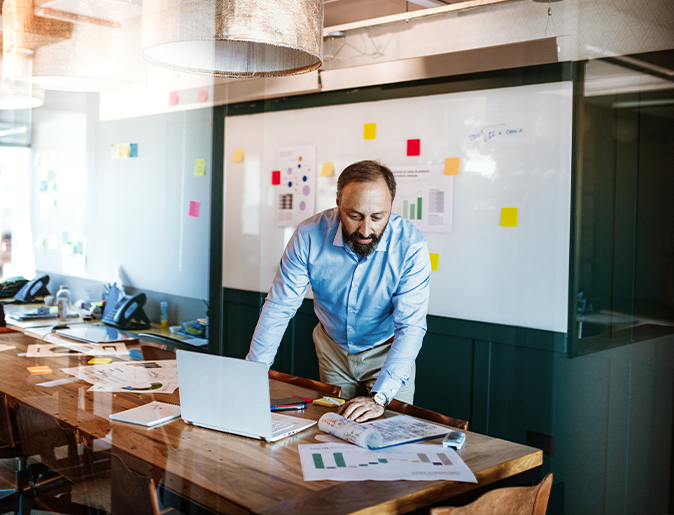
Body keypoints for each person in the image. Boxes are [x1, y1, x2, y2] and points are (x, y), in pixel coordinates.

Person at [246, 160, 431, 422]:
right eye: (354, 216)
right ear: (338, 203)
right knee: (337, 429)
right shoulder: (309, 236)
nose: (366, 230)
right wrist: (252, 373)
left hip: (387, 353)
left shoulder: (410, 246)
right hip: (332, 350)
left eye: (378, 217)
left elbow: (411, 326)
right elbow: (279, 306)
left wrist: (380, 398)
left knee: (385, 435)